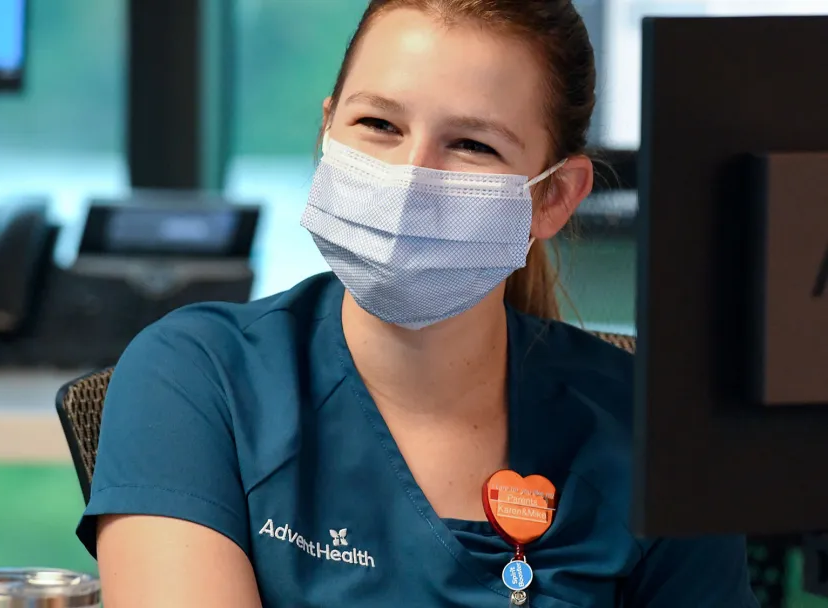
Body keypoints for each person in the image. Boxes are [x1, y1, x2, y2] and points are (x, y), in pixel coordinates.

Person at [76, 0, 758, 606]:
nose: (410, 178)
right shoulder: (197, 378)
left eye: (471, 144)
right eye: (378, 123)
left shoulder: (647, 429)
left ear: (551, 198)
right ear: (327, 131)